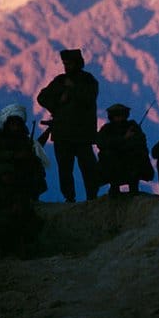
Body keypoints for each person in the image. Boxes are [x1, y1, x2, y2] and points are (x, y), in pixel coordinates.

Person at [0, 103, 48, 254]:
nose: (15, 127)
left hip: (23, 182)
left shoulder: (24, 139)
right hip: (4, 181)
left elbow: (34, 155)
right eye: (12, 124)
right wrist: (14, 156)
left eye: (17, 124)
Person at [37, 48, 99, 202]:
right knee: (65, 170)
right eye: (65, 64)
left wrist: (73, 90)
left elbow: (89, 98)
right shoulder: (60, 81)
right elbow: (42, 97)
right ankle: (69, 198)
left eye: (69, 64)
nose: (66, 67)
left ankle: (92, 197)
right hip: (62, 134)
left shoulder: (88, 81)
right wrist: (58, 102)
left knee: (89, 168)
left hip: (82, 135)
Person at [95, 103, 154, 196]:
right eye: (116, 116)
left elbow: (140, 142)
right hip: (113, 161)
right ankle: (115, 187)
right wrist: (123, 140)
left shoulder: (132, 126)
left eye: (121, 115)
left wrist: (120, 145)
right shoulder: (107, 129)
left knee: (137, 155)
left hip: (131, 160)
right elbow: (101, 143)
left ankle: (133, 187)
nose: (119, 118)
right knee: (108, 156)